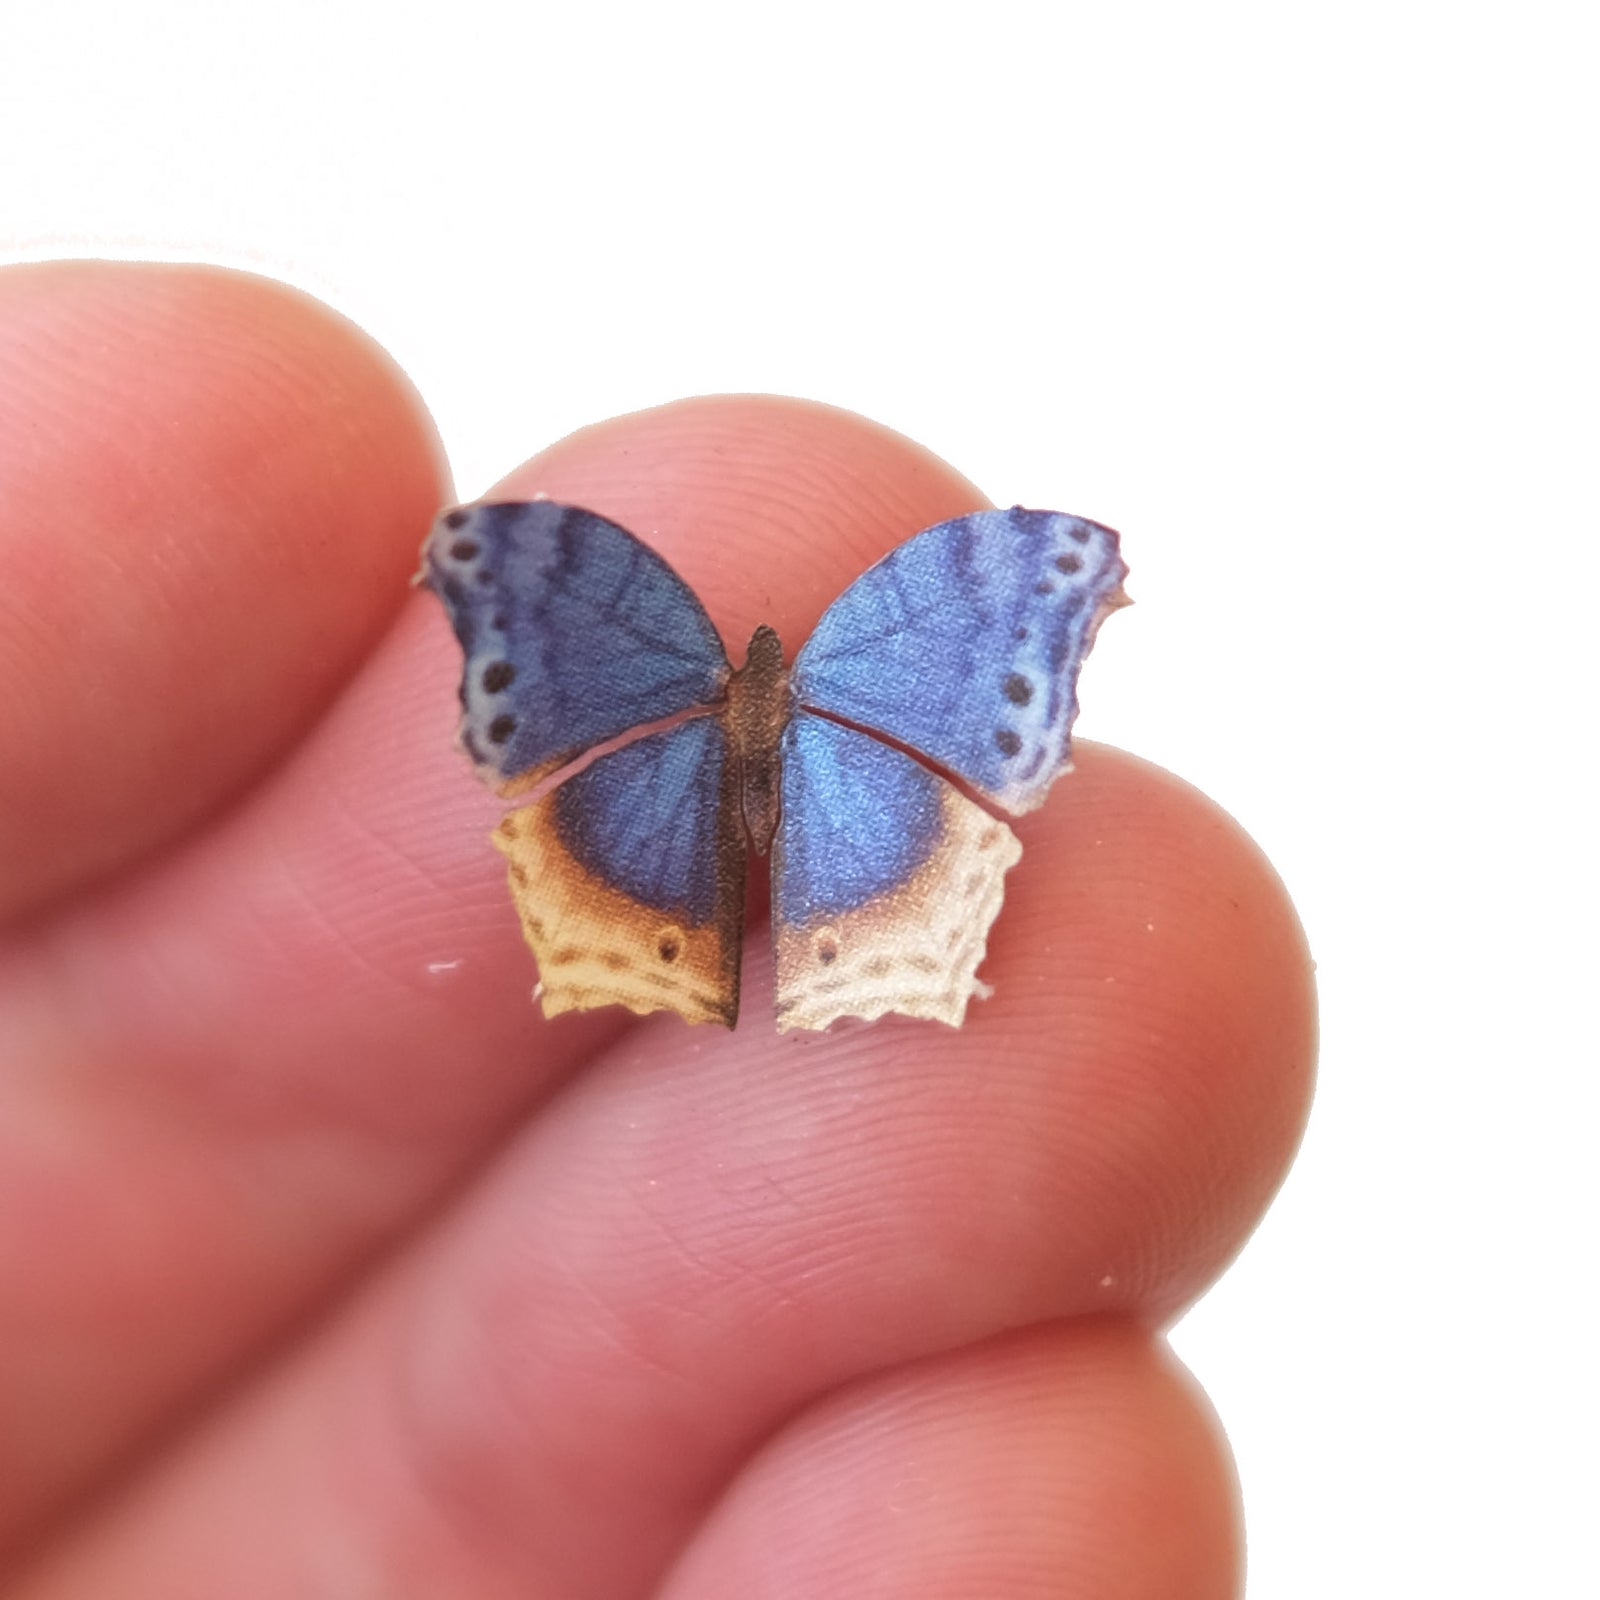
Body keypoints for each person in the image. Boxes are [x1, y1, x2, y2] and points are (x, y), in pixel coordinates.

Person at [0, 261, 1315, 1597]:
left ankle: (782, 940)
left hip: (661, 786)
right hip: (823, 789)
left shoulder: (660, 631)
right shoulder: (873, 640)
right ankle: (815, 937)